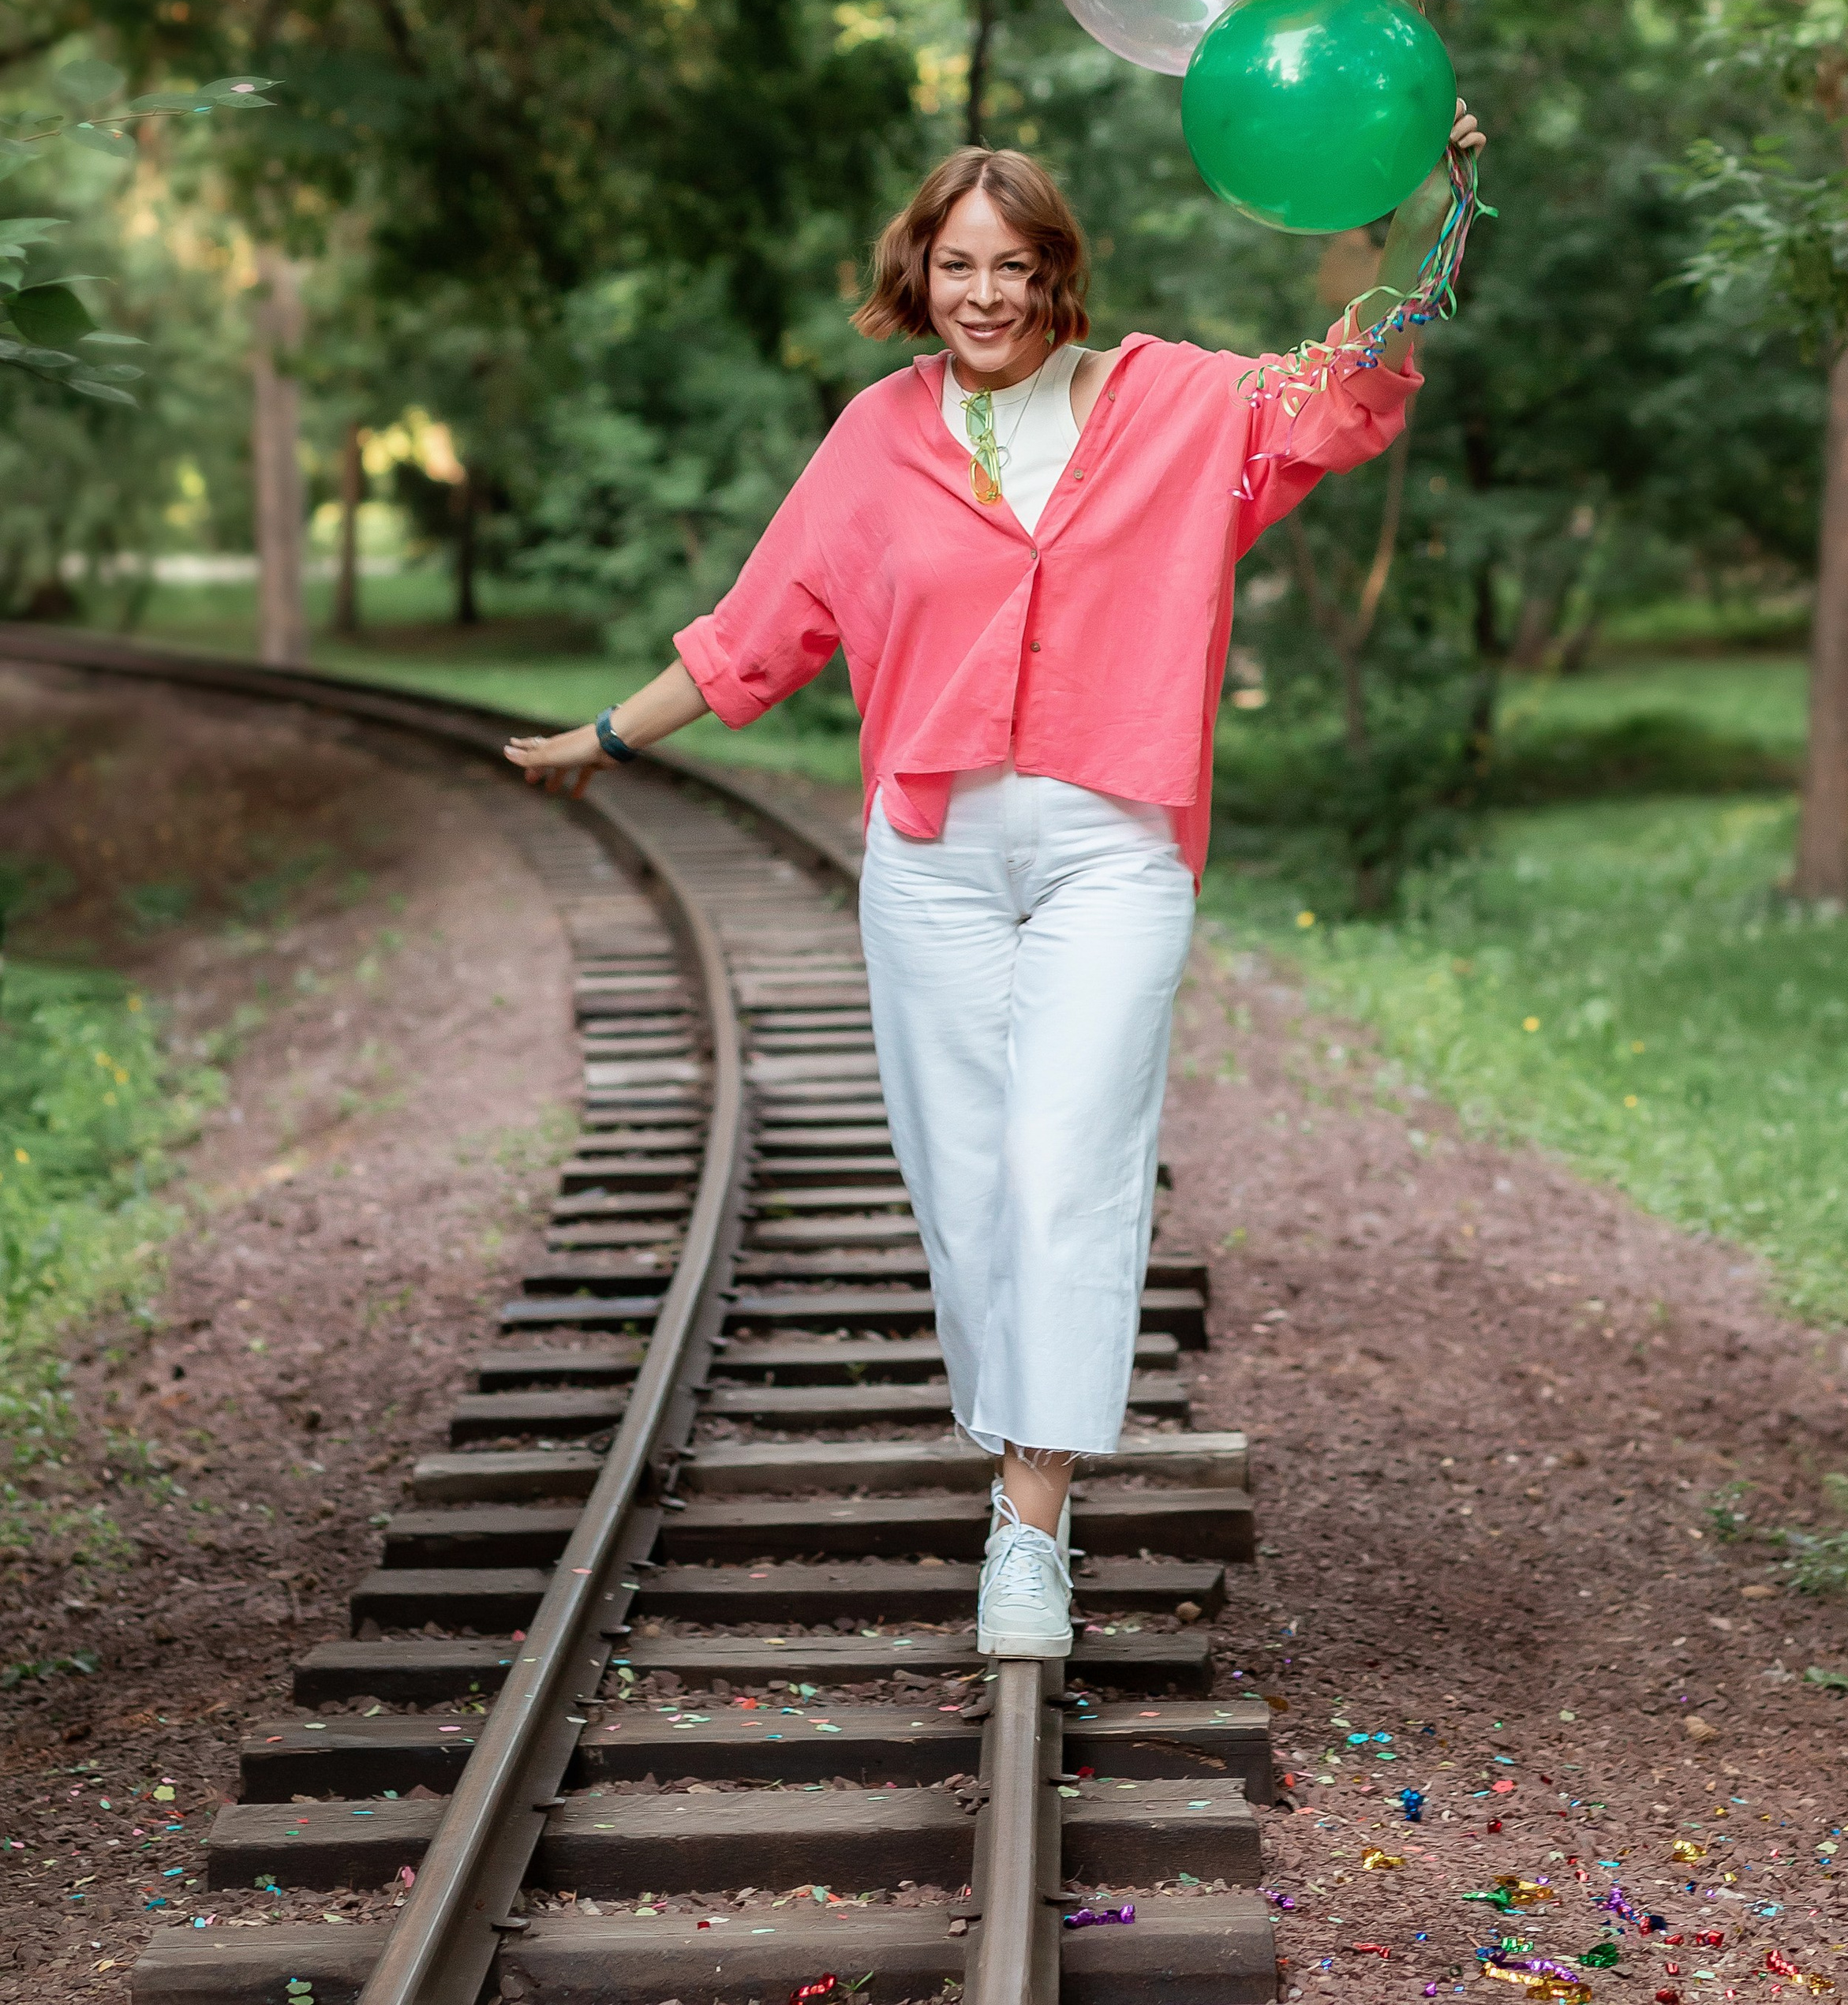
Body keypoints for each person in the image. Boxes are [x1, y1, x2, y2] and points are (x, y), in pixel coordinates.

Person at [506, 110, 1484, 1657]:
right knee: (966, 1187)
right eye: (956, 265)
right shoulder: (871, 439)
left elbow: (1343, 391)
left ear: (1055, 273)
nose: (984, 294)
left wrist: (1405, 198)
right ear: (919, 273)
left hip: (1113, 842)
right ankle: (1014, 1453)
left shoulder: (1173, 400)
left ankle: (1029, 1527)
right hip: (933, 860)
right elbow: (760, 626)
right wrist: (606, 735)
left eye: (1012, 265)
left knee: (1063, 1165)